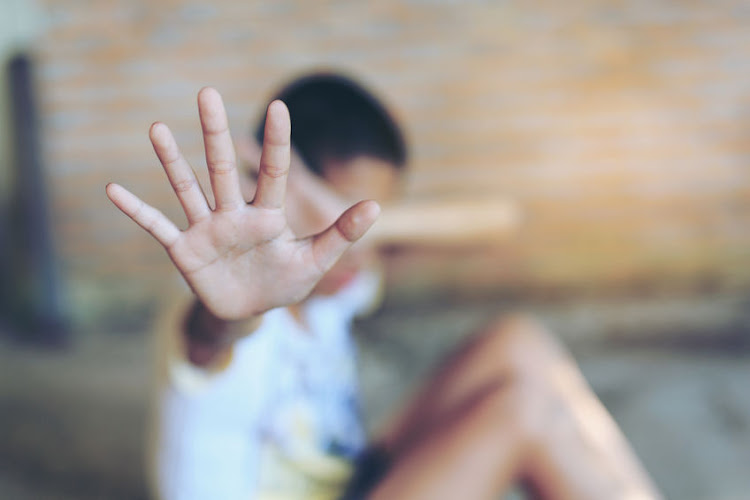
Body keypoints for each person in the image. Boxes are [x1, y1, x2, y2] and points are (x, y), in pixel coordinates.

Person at [106, 73, 661, 500]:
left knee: (517, 340)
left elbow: (500, 220)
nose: (364, 249)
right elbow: (208, 340)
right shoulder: (221, 305)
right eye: (340, 213)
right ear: (266, 182)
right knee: (523, 410)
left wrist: (342, 217)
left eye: (376, 220)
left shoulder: (336, 281)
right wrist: (228, 314)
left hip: (350, 479)